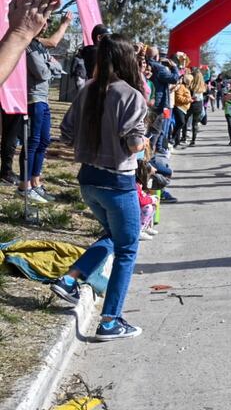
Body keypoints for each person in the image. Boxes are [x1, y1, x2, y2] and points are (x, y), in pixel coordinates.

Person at [50, 34, 148, 341]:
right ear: (127, 59)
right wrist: (145, 141)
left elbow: (65, 133)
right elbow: (133, 144)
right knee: (127, 249)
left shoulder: (87, 89)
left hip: (88, 180)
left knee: (113, 235)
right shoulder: (132, 95)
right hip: (117, 183)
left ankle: (70, 279)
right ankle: (110, 320)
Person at [18, 28, 66, 203]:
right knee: (33, 141)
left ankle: (35, 182)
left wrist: (50, 65)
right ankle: (24, 186)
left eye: (47, 23)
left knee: (44, 140)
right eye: (43, 22)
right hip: (33, 99)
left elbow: (58, 69)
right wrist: (50, 65)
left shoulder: (40, 46)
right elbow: (42, 72)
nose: (45, 26)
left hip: (44, 99)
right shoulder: (29, 46)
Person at [0, 0, 61, 87]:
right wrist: (20, 32)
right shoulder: (31, 44)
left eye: (48, 21)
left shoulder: (35, 42)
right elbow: (43, 73)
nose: (45, 24)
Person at [146, 47, 181, 154]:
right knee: (155, 130)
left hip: (146, 100)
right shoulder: (159, 68)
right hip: (158, 103)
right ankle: (149, 155)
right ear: (156, 56)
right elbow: (174, 78)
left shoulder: (144, 65)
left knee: (147, 130)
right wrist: (174, 67)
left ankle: (148, 153)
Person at [186, 68, 207, 146]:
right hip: (199, 105)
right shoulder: (202, 87)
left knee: (185, 120)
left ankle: (183, 137)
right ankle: (193, 140)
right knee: (195, 123)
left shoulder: (192, 86)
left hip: (191, 104)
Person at [172, 75, 192, 146]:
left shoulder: (186, 87)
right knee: (181, 123)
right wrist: (189, 100)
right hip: (179, 107)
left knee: (180, 124)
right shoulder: (181, 87)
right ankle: (173, 137)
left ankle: (176, 142)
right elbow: (178, 97)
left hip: (184, 108)